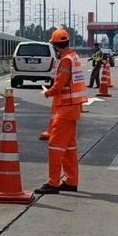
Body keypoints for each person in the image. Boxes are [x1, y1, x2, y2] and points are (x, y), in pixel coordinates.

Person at [38, 26, 87, 194]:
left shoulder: (66, 60)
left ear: (55, 45)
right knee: (69, 147)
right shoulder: (74, 57)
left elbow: (60, 84)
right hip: (73, 107)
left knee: (55, 146)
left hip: (65, 108)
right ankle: (71, 181)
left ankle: (53, 183)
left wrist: (48, 92)